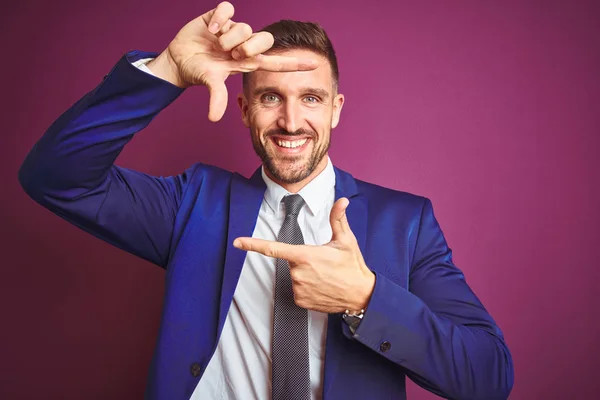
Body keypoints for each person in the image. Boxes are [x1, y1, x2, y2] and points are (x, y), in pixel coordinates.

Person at [18, 2, 514, 399]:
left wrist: (366, 299)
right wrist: (166, 69)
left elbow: (487, 376)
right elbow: (56, 177)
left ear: (337, 109)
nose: (292, 121)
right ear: (244, 109)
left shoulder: (405, 222)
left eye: (312, 98)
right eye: (271, 97)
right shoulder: (194, 203)